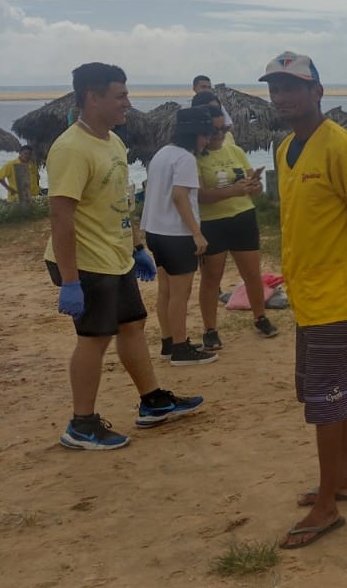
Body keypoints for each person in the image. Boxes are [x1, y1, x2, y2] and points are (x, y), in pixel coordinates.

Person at [262, 51, 347, 549]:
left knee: (324, 401)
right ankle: (345, 479)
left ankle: (327, 507)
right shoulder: (286, 149)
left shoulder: (341, 147)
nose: (283, 97)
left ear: (318, 91)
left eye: (292, 87)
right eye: (276, 89)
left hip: (338, 295)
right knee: (328, 395)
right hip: (307, 294)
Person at [46, 62, 203, 450]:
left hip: (115, 256)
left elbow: (120, 201)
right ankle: (81, 424)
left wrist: (135, 246)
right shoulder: (70, 148)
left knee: (132, 324)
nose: (127, 104)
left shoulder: (112, 141)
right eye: (120, 96)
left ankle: (152, 401)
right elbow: (61, 216)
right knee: (94, 338)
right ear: (92, 97)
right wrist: (69, 280)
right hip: (84, 261)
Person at [194, 108, 278, 350]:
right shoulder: (196, 156)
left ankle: (259, 317)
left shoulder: (236, 151)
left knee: (252, 273)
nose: (219, 134)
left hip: (243, 216)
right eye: (214, 129)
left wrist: (254, 186)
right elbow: (200, 195)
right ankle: (210, 329)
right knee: (212, 277)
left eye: (223, 128)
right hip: (212, 222)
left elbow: (255, 189)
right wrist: (234, 190)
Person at [141, 107, 219, 366]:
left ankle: (168, 341)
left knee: (165, 291)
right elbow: (179, 196)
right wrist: (197, 233)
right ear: (194, 134)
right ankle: (180, 348)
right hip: (176, 233)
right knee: (179, 294)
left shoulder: (162, 153)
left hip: (155, 230)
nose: (207, 140)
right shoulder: (185, 159)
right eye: (205, 135)